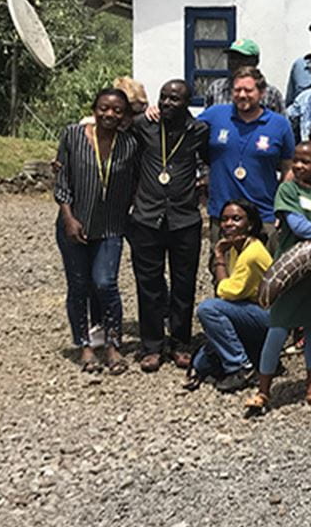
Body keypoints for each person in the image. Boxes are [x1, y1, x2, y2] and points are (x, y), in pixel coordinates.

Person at [244, 141, 311, 415]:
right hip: (291, 271)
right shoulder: (287, 190)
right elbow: (297, 225)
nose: (297, 166)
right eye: (295, 160)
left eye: (305, 162)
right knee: (278, 328)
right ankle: (263, 390)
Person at [126, 79, 210, 372]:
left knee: (183, 284)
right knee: (148, 283)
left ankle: (180, 342)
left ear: (187, 102)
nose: (166, 103)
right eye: (163, 97)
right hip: (147, 217)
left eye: (174, 99)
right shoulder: (142, 125)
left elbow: (212, 161)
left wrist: (205, 180)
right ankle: (151, 345)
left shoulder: (199, 131)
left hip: (184, 219)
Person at [55, 87, 139, 374]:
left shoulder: (130, 144)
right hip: (74, 224)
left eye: (117, 110)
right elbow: (62, 179)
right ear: (95, 109)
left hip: (111, 226)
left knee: (105, 283)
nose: (110, 114)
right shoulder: (73, 136)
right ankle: (85, 346)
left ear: (125, 115)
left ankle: (113, 344)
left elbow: (137, 181)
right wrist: (68, 217)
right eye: (104, 108)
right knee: (79, 286)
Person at [198, 67, 295, 246]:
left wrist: (283, 207)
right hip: (223, 215)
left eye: (248, 90)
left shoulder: (279, 124)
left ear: (262, 92)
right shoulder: (215, 115)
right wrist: (152, 111)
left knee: (264, 270)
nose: (242, 95)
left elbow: (289, 168)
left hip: (264, 214)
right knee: (221, 268)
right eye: (237, 90)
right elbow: (184, 127)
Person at [191, 200, 273, 392]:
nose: (229, 224)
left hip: (267, 317)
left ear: (250, 224)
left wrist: (219, 255)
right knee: (200, 363)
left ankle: (241, 367)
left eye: (236, 219)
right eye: (225, 219)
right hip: (248, 311)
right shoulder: (238, 247)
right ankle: (256, 357)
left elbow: (225, 292)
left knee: (207, 309)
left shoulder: (252, 253)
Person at [203, 39, 285, 113]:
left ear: (255, 61)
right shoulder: (216, 89)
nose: (234, 63)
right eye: (232, 58)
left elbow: (280, 125)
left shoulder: (271, 94)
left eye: (241, 58)